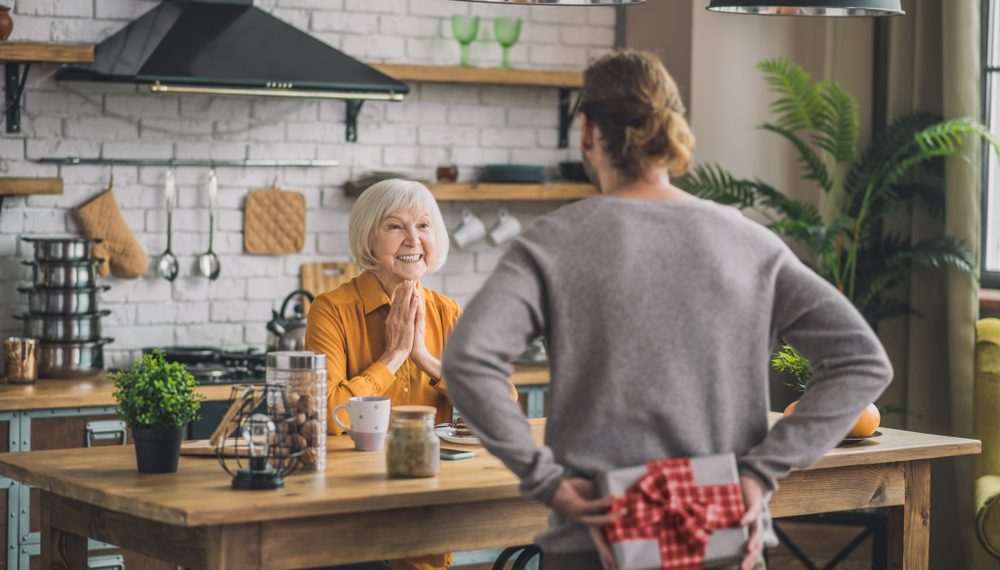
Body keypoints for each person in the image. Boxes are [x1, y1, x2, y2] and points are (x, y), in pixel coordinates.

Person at [441, 50, 893, 570]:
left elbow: (469, 360)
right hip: (722, 538)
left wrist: (546, 480)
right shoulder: (749, 243)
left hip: (598, 541)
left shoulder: (554, 243)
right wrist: (759, 473)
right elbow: (863, 362)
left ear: (587, 131)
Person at [305, 178, 459, 570]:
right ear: (368, 238)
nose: (413, 239)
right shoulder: (331, 310)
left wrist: (424, 358)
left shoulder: (447, 312)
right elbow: (326, 416)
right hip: (351, 511)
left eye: (423, 226)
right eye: (394, 226)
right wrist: (393, 357)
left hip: (428, 502)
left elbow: (500, 404)